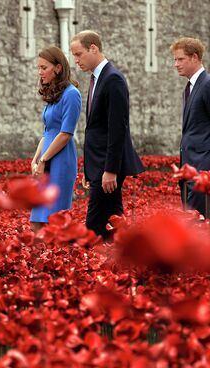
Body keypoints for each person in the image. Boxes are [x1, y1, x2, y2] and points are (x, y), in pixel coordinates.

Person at [69, 31, 145, 239]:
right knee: (113, 220)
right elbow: (95, 128)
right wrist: (89, 169)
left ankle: (91, 266)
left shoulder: (113, 79)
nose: (76, 61)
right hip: (99, 164)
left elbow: (117, 128)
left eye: (79, 54)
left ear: (93, 48)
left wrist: (110, 170)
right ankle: (122, 264)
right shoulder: (98, 78)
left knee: (94, 225)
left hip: (108, 166)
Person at [170, 37, 210, 222]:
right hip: (190, 166)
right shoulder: (190, 87)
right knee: (193, 223)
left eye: (180, 59)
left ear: (195, 57)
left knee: (198, 222)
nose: (176, 64)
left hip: (205, 166)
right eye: (175, 60)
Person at [30, 46, 82, 231]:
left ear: (58, 68)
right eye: (39, 68)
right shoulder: (54, 95)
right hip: (46, 157)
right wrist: (36, 159)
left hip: (60, 161)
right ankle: (40, 260)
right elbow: (48, 132)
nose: (40, 72)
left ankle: (62, 259)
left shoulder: (71, 94)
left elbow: (66, 133)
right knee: (37, 220)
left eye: (44, 68)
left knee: (53, 221)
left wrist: (44, 160)